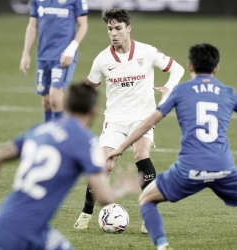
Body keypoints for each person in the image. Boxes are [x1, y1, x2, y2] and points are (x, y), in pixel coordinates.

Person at [106, 43, 237, 250]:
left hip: (188, 169)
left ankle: (162, 245)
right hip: (224, 168)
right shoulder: (227, 92)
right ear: (216, 68)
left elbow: (150, 122)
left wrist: (121, 147)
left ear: (190, 67)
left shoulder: (181, 91)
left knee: (146, 199)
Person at [0, 83, 140, 250]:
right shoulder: (87, 143)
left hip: (21, 224)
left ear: (65, 105)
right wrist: (122, 189)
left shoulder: (41, 130)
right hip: (19, 230)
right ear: (94, 112)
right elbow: (105, 197)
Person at [74, 8, 185, 232]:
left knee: (141, 154)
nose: (113, 33)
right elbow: (89, 89)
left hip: (142, 118)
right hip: (114, 120)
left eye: (117, 28)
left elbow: (178, 69)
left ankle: (149, 216)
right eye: (109, 29)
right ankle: (86, 212)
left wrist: (168, 89)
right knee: (104, 165)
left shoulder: (146, 52)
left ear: (128, 28)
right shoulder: (102, 59)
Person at [20, 0, 88, 122]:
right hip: (43, 56)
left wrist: (71, 49)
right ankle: (50, 135)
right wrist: (26, 53)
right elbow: (32, 25)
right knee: (46, 102)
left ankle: (61, 137)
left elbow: (83, 25)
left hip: (63, 57)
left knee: (55, 99)